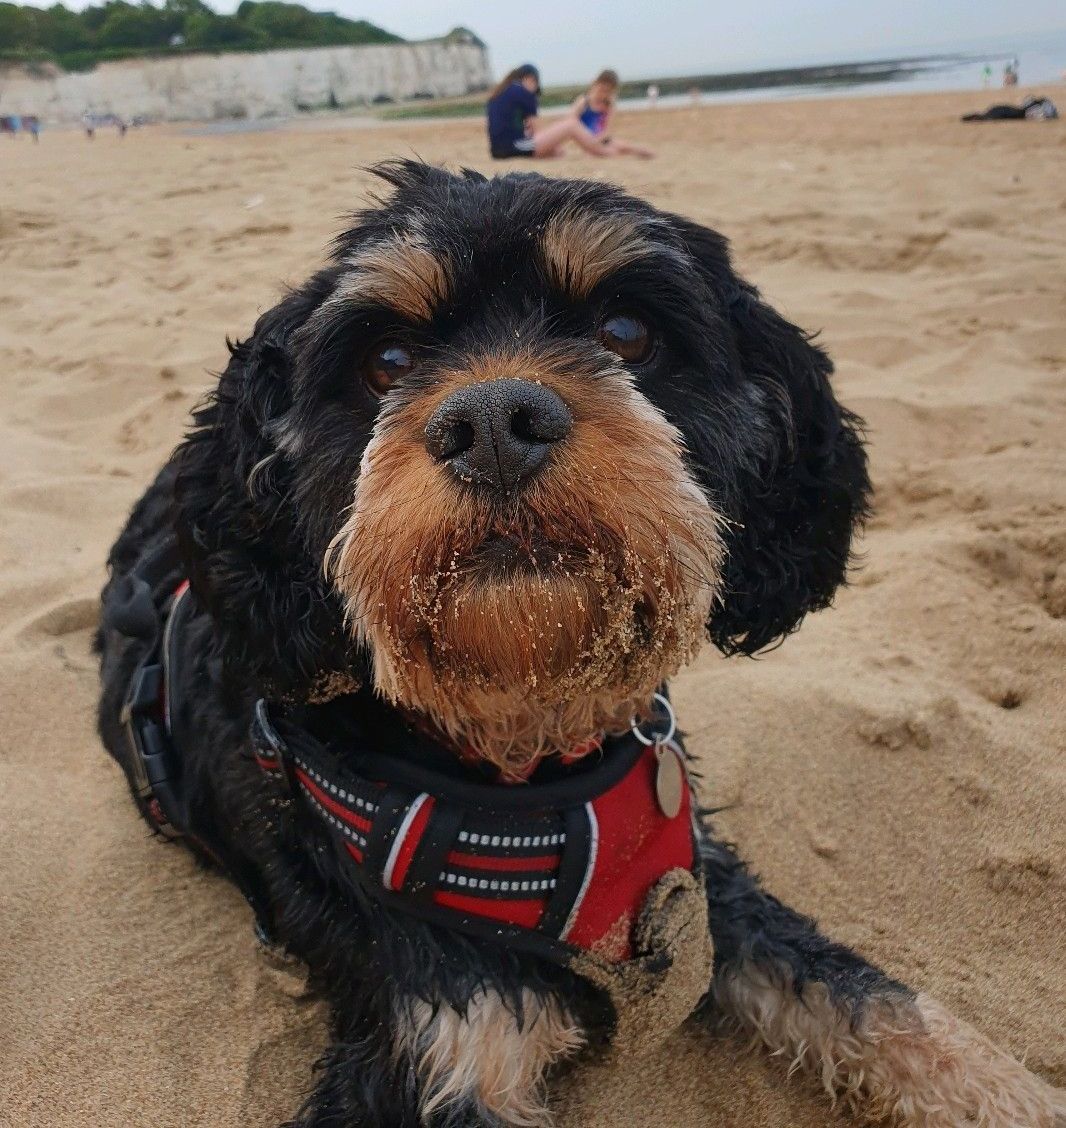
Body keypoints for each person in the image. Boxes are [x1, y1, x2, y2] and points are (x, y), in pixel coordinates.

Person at [485, 63, 645, 160]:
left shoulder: (500, 92)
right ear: (531, 79)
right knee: (571, 125)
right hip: (514, 147)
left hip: (498, 149)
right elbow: (537, 132)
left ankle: (610, 149)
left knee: (557, 152)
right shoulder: (525, 93)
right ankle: (606, 153)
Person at [570, 69, 654, 158]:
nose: (603, 94)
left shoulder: (609, 105)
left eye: (608, 91)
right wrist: (587, 142)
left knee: (624, 146)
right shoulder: (583, 101)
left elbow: (607, 131)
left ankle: (641, 151)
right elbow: (571, 122)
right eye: (601, 89)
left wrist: (598, 140)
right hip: (584, 140)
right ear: (595, 84)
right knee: (610, 151)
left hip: (601, 140)